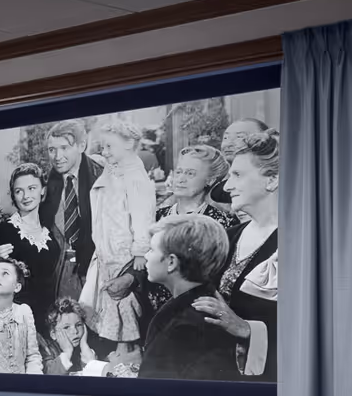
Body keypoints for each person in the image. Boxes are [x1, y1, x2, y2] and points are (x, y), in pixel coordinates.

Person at [195, 130, 279, 381]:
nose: (228, 185)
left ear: (272, 180)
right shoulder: (226, 236)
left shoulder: (302, 243)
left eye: (238, 175)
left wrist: (245, 329)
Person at [80, 119, 156, 356]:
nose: (105, 152)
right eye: (103, 147)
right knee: (107, 304)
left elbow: (143, 216)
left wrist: (141, 251)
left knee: (123, 303)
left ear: (129, 144)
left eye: (110, 146)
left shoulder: (135, 177)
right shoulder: (113, 171)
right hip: (106, 249)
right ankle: (114, 353)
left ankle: (127, 354)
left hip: (125, 252)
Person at [138, 215, 242, 380]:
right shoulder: (199, 304)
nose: (146, 256)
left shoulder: (185, 327)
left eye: (151, 250)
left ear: (171, 262)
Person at [0, 163, 60, 333]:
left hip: (46, 320)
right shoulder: (3, 231)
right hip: (15, 323)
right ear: (13, 195)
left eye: (32, 188)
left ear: (42, 190)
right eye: (19, 191)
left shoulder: (51, 238)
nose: (26, 196)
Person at [38, 120, 98, 302]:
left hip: (93, 266)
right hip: (58, 268)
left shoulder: (101, 178)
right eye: (52, 149)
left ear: (81, 146)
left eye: (64, 148)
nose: (57, 156)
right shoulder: (46, 183)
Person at [161, 145, 236, 227]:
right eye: (178, 172)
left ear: (210, 180)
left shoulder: (219, 222)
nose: (180, 179)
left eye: (190, 173)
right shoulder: (157, 216)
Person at [46, 298, 90, 375]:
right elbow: (49, 376)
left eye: (79, 325)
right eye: (66, 327)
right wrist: (67, 352)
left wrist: (85, 346)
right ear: (53, 334)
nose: (75, 331)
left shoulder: (83, 347)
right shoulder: (46, 351)